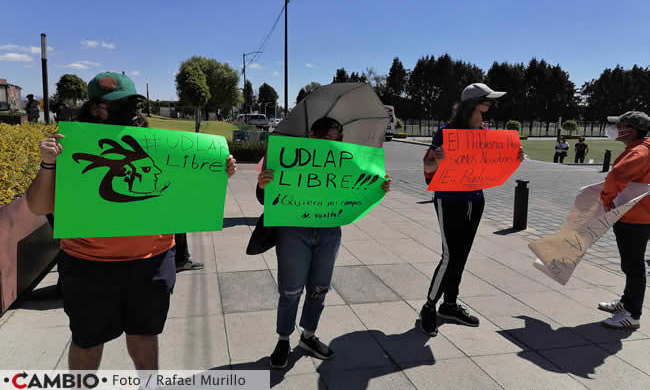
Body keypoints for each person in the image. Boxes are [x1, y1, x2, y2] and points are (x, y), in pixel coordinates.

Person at [25, 72, 237, 370]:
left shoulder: (158, 144)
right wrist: (48, 163)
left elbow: (184, 190)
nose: (131, 111)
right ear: (97, 107)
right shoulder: (70, 144)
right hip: (89, 266)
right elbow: (37, 206)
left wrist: (216, 172)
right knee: (87, 342)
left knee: (145, 337)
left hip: (151, 263)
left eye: (132, 103)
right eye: (119, 104)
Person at [256, 117, 392, 368]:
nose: (332, 144)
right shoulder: (289, 155)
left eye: (337, 140)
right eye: (326, 138)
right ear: (311, 135)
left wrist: (378, 187)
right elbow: (264, 197)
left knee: (319, 288)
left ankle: (308, 336)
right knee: (290, 290)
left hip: (329, 232)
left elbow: (356, 188)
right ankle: (283, 339)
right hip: (293, 231)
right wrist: (263, 184)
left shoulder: (341, 161)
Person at [419, 83, 524, 337]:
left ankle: (450, 304)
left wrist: (515, 159)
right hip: (449, 199)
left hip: (475, 199)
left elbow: (491, 166)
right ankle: (429, 306)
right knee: (449, 255)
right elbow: (428, 171)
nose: (490, 106)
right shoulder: (446, 132)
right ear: (474, 103)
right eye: (487, 101)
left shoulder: (485, 133)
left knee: (462, 254)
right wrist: (436, 160)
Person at [598, 111, 650, 330]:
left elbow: (616, 176)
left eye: (621, 125)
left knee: (633, 265)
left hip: (633, 216)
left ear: (633, 129)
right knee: (631, 263)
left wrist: (606, 198)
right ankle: (625, 304)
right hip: (641, 213)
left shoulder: (639, 151)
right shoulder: (645, 147)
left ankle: (632, 314)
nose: (616, 129)